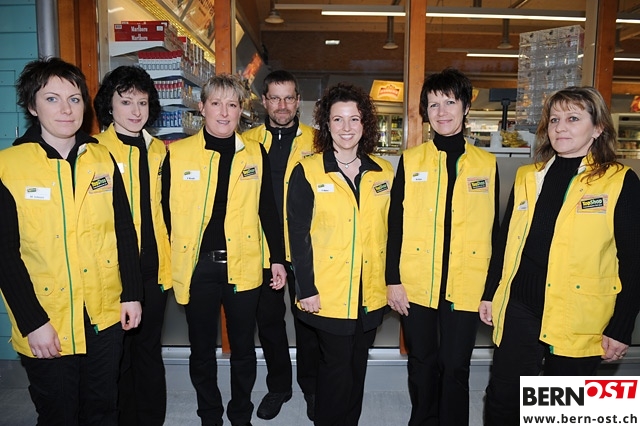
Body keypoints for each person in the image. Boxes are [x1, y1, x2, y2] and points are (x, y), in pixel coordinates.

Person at [480, 86, 640, 425]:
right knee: (503, 400)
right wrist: (490, 293)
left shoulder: (619, 181)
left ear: (598, 128)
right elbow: (507, 242)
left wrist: (621, 326)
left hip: (579, 314)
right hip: (521, 305)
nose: (560, 127)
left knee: (560, 409)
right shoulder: (528, 176)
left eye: (573, 119)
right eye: (554, 120)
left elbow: (634, 261)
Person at [0, 57, 142, 425]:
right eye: (52, 99)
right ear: (32, 106)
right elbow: (4, 255)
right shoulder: (9, 166)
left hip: (103, 314)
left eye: (74, 99)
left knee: (104, 409)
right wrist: (33, 322)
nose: (66, 109)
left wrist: (131, 294)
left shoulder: (101, 158)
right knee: (59, 413)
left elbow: (124, 231)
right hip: (48, 319)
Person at [162, 73, 287, 426]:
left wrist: (277, 259)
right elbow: (165, 213)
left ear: (240, 111)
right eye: (216, 103)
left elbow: (268, 210)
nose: (223, 112)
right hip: (198, 267)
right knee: (201, 349)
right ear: (202, 108)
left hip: (243, 264)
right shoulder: (178, 154)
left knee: (243, 348)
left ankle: (240, 414)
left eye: (232, 105)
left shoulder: (255, 153)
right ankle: (209, 415)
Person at [386, 67, 499, 426]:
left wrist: (491, 290)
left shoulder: (486, 164)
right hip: (417, 281)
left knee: (455, 366)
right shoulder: (412, 160)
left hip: (466, 282)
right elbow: (395, 224)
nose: (442, 112)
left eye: (450, 102)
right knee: (422, 363)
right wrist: (393, 280)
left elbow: (494, 232)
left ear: (466, 107)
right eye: (434, 105)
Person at [287, 82, 394, 426]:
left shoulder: (383, 172)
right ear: (326, 124)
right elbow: (297, 235)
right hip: (328, 293)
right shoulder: (308, 171)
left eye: (354, 119)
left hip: (369, 292)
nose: (346, 128)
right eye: (338, 119)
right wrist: (306, 288)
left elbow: (392, 233)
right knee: (335, 372)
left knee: (356, 369)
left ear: (365, 124)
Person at [93, 65, 171, 426]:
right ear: (109, 106)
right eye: (126, 102)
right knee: (119, 357)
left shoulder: (158, 151)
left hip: (155, 269)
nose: (135, 111)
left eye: (142, 102)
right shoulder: (94, 152)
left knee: (149, 351)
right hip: (115, 272)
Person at [242, 70, 319, 421]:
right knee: (269, 322)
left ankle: (311, 387)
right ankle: (278, 387)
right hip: (262, 248)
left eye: (289, 97)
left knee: (309, 322)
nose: (282, 105)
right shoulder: (246, 142)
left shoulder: (318, 141)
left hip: (305, 247)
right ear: (264, 101)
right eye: (275, 98)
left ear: (298, 100)